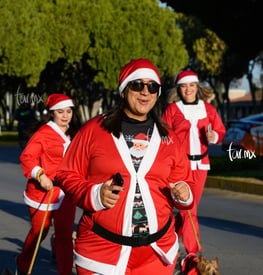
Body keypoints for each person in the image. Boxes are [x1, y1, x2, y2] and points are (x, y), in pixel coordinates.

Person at [56, 58, 195, 275]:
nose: (145, 92)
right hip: (101, 251)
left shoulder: (169, 137)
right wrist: (94, 194)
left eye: (152, 87)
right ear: (123, 90)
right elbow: (66, 173)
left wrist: (184, 194)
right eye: (137, 85)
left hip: (156, 254)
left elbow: (184, 181)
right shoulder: (94, 130)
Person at [162, 70, 226, 257]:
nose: (188, 90)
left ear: (197, 87)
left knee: (189, 209)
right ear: (178, 89)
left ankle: (167, 239)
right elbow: (164, 137)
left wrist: (214, 136)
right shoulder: (172, 110)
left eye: (191, 85)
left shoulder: (208, 109)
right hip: (181, 167)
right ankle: (193, 253)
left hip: (201, 165)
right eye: (184, 86)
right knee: (188, 209)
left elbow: (220, 131)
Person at [16, 94, 81, 275]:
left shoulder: (76, 133)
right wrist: (40, 175)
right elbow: (27, 157)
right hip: (43, 191)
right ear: (52, 113)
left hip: (66, 192)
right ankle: (22, 266)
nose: (65, 115)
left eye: (68, 111)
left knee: (65, 237)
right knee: (39, 233)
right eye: (60, 112)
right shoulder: (43, 133)